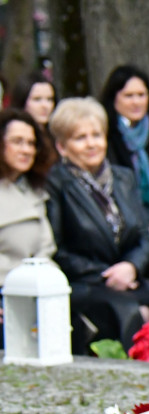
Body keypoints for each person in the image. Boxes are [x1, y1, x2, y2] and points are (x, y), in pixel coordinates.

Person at [46, 98, 149, 351]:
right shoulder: (56, 183)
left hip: (129, 277)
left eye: (96, 135)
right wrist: (108, 275)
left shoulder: (123, 178)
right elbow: (57, 248)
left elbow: (144, 234)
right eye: (80, 138)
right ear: (62, 146)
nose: (92, 143)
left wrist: (130, 267)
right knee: (136, 313)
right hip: (87, 281)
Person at [99, 65, 149, 252]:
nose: (136, 102)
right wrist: (145, 230)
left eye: (141, 95)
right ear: (114, 98)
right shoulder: (106, 137)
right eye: (128, 96)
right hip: (126, 225)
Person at [0, 110, 57, 329]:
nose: (26, 150)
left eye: (31, 143)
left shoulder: (35, 191)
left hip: (35, 287)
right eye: (17, 142)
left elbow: (46, 247)